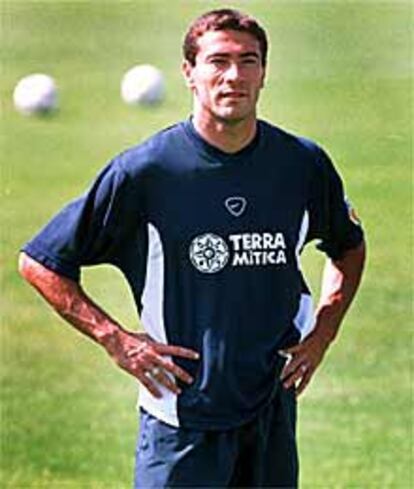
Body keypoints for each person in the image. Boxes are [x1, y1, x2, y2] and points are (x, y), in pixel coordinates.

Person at [19, 8, 366, 488]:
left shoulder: (301, 165)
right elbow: (41, 261)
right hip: (180, 420)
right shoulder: (145, 172)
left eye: (249, 61)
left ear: (264, 73)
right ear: (189, 73)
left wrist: (324, 331)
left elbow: (347, 247)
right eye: (218, 61)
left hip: (272, 412)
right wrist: (116, 339)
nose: (234, 76)